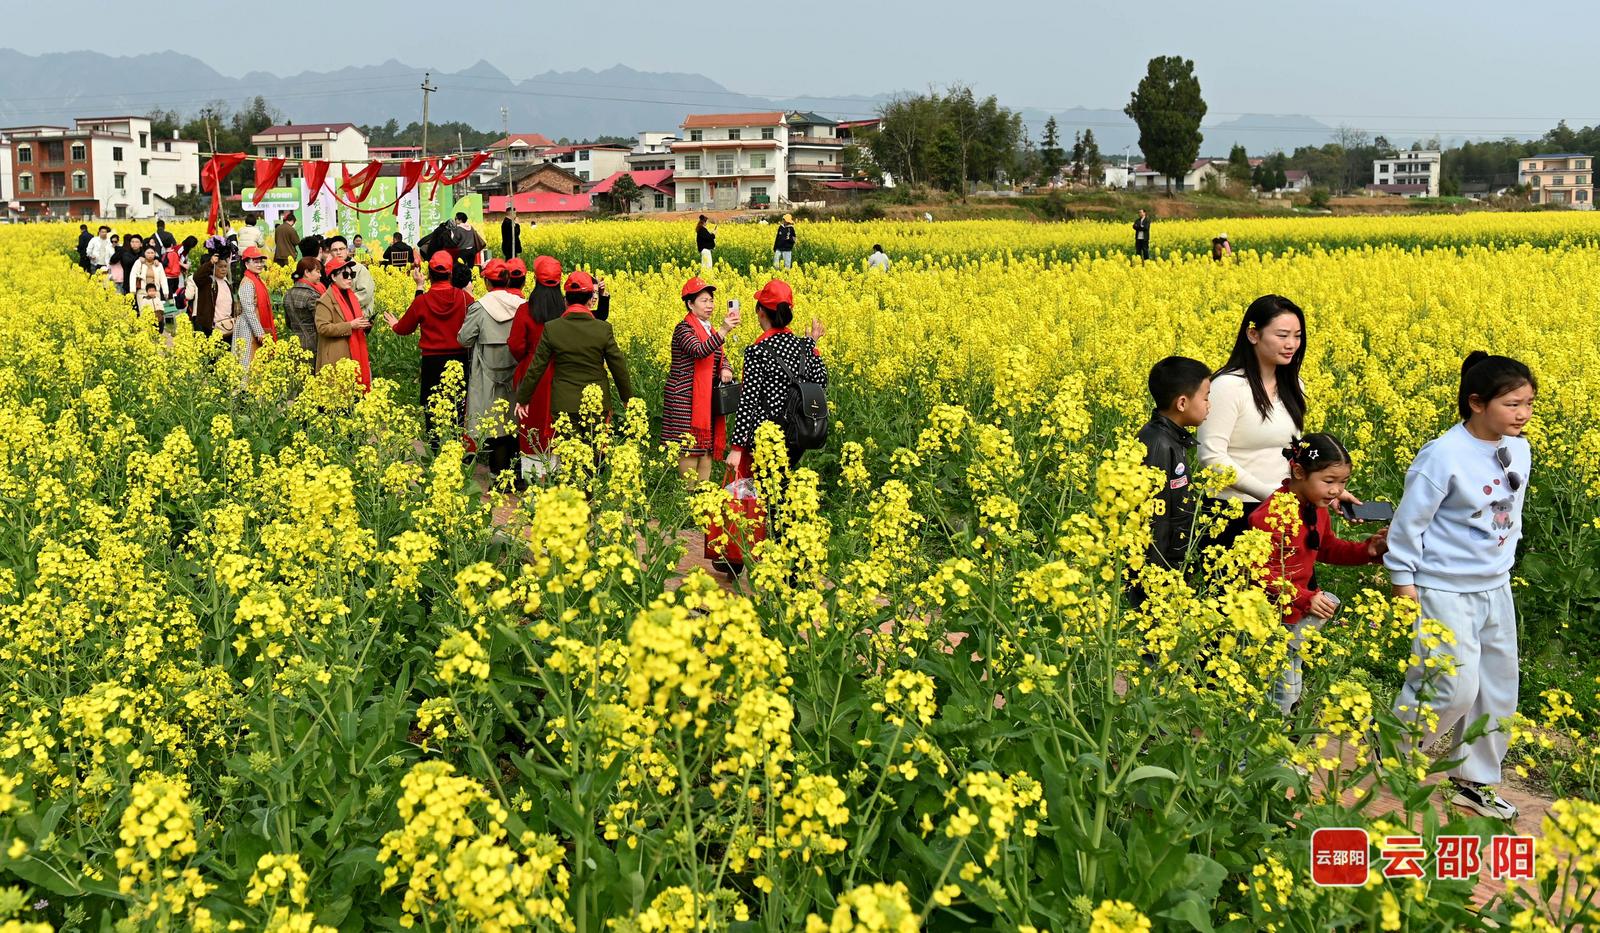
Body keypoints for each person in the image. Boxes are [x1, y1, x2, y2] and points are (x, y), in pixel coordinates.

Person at [1388, 352, 1536, 820]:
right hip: (1443, 587)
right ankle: (1394, 746)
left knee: (1497, 689)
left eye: (1529, 403)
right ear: (1476, 403)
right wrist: (1403, 581)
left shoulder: (1520, 448)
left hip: (1495, 585)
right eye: (1513, 404)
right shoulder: (1442, 455)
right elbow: (1408, 525)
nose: (1524, 414)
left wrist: (1503, 566)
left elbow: (1509, 517)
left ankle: (1473, 780)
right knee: (1452, 685)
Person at [1249, 434, 1388, 715]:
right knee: (1277, 694)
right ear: (1299, 472)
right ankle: (1251, 755)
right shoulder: (1268, 517)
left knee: (1290, 688)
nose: (1337, 491)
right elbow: (1258, 572)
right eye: (1329, 481)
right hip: (1267, 618)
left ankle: (1265, 750)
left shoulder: (1314, 507)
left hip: (1295, 615)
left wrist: (1367, 551)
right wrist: (1303, 597)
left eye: (1343, 482)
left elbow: (1326, 548)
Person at [1198, 295, 1330, 548]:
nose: (1291, 344)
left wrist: (1324, 490)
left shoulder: (1293, 385)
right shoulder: (1227, 386)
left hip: (1281, 510)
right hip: (1233, 513)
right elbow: (1211, 457)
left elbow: (1291, 452)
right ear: (1253, 335)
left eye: (1298, 336)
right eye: (1282, 335)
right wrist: (1269, 495)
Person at [513, 271, 632, 449]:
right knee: (595, 453)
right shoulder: (603, 328)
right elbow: (618, 366)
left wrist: (523, 398)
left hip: (564, 402)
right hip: (597, 403)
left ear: (566, 300)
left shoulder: (552, 328)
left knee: (569, 455)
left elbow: (537, 367)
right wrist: (627, 398)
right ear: (590, 299)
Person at [725, 279, 827, 478]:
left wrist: (737, 448)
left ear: (760, 312)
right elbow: (820, 382)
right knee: (783, 488)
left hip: (765, 437)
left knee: (760, 495)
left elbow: (748, 400)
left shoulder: (758, 351)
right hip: (797, 433)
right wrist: (812, 345)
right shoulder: (805, 346)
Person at [385, 252, 472, 449]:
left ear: (430, 274)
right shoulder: (465, 298)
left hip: (432, 362)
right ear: (451, 273)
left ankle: (434, 447)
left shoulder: (422, 301)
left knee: (432, 405)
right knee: (457, 403)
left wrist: (394, 324)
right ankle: (456, 446)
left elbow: (404, 329)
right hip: (459, 359)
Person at [1138, 356, 1212, 577]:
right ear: (1182, 403)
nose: (1209, 405)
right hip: (1158, 571)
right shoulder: (1158, 444)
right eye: (1206, 398)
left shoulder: (1171, 438)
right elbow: (1154, 518)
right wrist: (1158, 575)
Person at [663, 277, 739, 484]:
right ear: (690, 304)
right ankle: (689, 495)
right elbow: (699, 351)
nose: (710, 305)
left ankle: (702, 496)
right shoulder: (684, 329)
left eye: (711, 300)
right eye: (704, 300)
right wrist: (723, 330)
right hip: (685, 399)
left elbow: (721, 357)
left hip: (704, 400)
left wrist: (725, 368)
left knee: (704, 447)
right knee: (689, 448)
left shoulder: (709, 329)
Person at [458, 259, 524, 480]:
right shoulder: (520, 305)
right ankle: (516, 472)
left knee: (494, 422)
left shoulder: (479, 307)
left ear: (486, 281)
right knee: (513, 419)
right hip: (514, 369)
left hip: (487, 371)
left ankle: (498, 475)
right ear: (507, 280)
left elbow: (465, 338)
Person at [509, 255, 567, 480]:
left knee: (530, 424)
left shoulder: (526, 310)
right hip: (560, 372)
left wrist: (526, 357)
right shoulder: (564, 309)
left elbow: (515, 344)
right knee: (557, 423)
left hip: (531, 371)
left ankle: (534, 479)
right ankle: (557, 476)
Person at [313, 256, 373, 389]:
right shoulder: (325, 300)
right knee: (339, 396)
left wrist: (364, 326)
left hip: (353, 350)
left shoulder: (352, 297)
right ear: (333, 277)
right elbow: (322, 328)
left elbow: (354, 322)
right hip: (337, 354)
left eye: (352, 274)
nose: (350, 278)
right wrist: (350, 325)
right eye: (345, 275)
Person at [324, 235, 374, 321]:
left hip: (359, 315)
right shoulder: (330, 271)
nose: (338, 252)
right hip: (338, 318)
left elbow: (365, 293)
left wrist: (342, 306)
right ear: (330, 253)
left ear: (347, 250)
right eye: (335, 250)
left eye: (341, 249)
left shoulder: (359, 269)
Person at [283, 257, 324, 359]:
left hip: (294, 343)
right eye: (317, 272)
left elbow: (288, 322)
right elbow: (321, 323)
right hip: (312, 344)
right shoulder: (312, 295)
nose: (320, 275)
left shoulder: (288, 293)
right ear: (307, 272)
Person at [237, 246, 277, 339]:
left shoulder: (258, 280)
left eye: (261, 261)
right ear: (246, 264)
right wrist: (259, 333)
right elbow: (249, 310)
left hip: (258, 326)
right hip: (249, 329)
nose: (259, 265)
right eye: (255, 262)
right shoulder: (247, 282)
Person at [190, 253, 233, 338]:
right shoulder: (208, 282)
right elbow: (197, 277)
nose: (224, 269)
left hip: (227, 326)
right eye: (220, 267)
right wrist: (211, 262)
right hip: (212, 328)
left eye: (225, 266)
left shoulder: (226, 282)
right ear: (213, 268)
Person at [131, 244, 169, 317]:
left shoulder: (158, 265)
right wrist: (133, 290)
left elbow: (163, 278)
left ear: (155, 254)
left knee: (157, 313)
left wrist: (165, 291)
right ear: (144, 253)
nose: (150, 255)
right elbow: (132, 275)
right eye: (148, 253)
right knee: (144, 312)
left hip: (155, 292)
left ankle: (157, 328)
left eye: (152, 253)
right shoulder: (139, 263)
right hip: (142, 291)